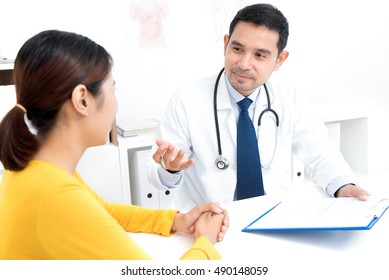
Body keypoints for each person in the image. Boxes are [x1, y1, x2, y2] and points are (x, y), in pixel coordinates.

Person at [0, 30, 227, 260]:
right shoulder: (55, 194)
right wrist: (205, 241)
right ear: (82, 100)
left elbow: (102, 212)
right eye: (112, 89)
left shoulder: (36, 166)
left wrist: (176, 220)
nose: (116, 102)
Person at [147, 3, 369, 211]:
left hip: (273, 217)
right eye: (237, 49)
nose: (244, 64)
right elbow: (157, 175)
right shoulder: (187, 100)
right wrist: (170, 169)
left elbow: (319, 151)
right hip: (208, 222)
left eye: (260, 55)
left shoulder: (287, 96)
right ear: (225, 44)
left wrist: (343, 186)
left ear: (280, 60)